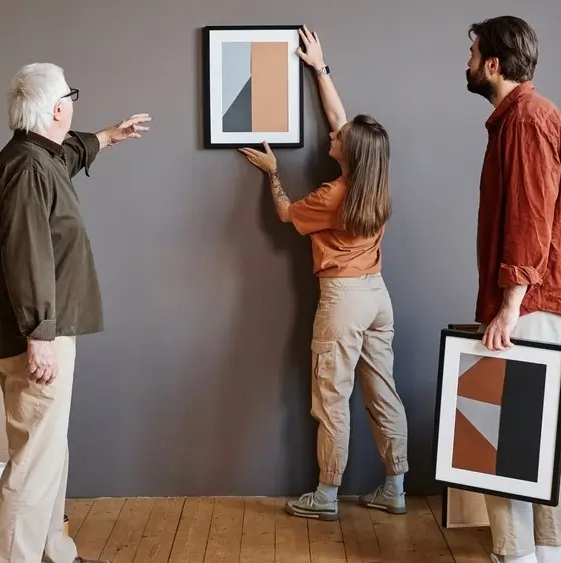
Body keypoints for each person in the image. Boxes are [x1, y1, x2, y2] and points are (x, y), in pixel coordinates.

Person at [239, 26, 409, 521]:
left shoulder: (333, 196)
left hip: (342, 301)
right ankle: (395, 486)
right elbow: (343, 122)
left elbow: (289, 216)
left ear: (349, 152)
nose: (333, 134)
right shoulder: (374, 180)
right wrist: (320, 68)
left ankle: (327, 495)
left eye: (340, 138)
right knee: (384, 391)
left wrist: (272, 173)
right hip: (378, 296)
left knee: (331, 397)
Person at [0, 62, 150, 563]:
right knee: (35, 457)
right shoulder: (28, 168)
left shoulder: (37, 156)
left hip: (50, 328)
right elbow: (27, 254)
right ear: (57, 108)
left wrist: (108, 137)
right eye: (70, 97)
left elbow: (69, 152)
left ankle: (54, 550)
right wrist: (40, 334)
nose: (73, 105)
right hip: (39, 333)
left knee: (50, 449)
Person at [464, 15, 561, 563]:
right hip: (542, 301)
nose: (469, 63)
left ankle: (518, 556)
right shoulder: (527, 117)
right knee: (541, 438)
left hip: (529, 303)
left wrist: (508, 308)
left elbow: (529, 220)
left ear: (494, 64)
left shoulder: (525, 121)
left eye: (474, 53)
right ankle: (544, 556)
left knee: (508, 439)